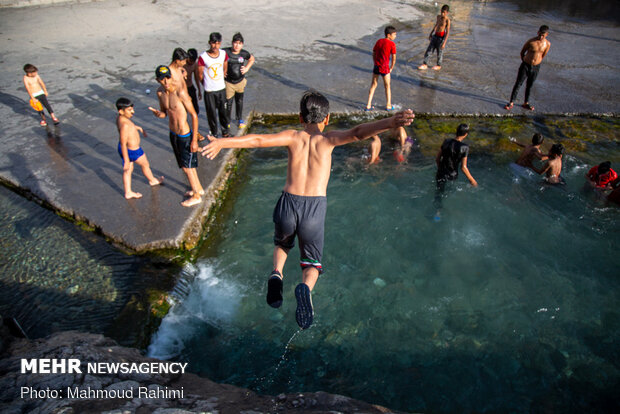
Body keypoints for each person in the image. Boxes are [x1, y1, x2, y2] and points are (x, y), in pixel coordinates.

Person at [201, 90, 415, 329]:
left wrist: (222, 142)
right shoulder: (328, 139)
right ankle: (305, 288)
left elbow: (258, 140)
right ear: (328, 118)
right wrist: (390, 122)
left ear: (301, 118)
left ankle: (276, 274)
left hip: (288, 203)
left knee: (282, 244)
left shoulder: (293, 137)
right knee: (311, 264)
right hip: (314, 208)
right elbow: (357, 133)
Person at [149, 65, 204, 207]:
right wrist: (158, 114)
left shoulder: (180, 92)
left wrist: (194, 139)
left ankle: (197, 196)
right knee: (185, 166)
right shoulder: (160, 93)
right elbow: (164, 113)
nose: (166, 81)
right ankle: (197, 188)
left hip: (184, 134)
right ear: (157, 80)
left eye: (168, 77)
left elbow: (194, 115)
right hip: (173, 133)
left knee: (187, 167)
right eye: (162, 79)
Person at [116, 97, 163, 199]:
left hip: (126, 149)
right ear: (121, 111)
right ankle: (152, 180)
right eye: (129, 110)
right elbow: (124, 142)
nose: (133, 112)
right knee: (145, 165)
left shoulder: (121, 119)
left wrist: (139, 128)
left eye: (132, 109)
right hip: (133, 151)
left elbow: (130, 127)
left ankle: (128, 192)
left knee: (128, 171)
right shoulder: (125, 125)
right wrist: (127, 160)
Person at [505, 25, 551, 111]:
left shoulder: (547, 44)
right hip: (526, 65)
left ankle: (526, 103)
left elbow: (543, 55)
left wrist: (536, 62)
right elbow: (522, 52)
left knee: (530, 85)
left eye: (543, 35)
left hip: (536, 67)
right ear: (538, 32)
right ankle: (511, 102)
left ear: (547, 34)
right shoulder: (531, 41)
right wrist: (526, 61)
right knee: (518, 83)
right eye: (540, 34)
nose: (541, 37)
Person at [434, 123, 477, 215]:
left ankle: (437, 212)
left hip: (440, 173)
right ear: (466, 134)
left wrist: (441, 169)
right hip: (451, 175)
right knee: (449, 193)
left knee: (438, 194)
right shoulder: (464, 147)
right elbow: (463, 167)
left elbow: (437, 159)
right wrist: (472, 180)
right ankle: (448, 211)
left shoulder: (446, 141)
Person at [196, 32, 230, 138]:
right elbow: (200, 75)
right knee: (211, 114)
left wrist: (221, 77)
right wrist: (206, 84)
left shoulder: (223, 54)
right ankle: (214, 133)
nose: (215, 46)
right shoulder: (203, 57)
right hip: (209, 91)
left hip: (221, 89)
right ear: (209, 43)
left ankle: (225, 132)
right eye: (213, 43)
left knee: (223, 112)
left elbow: (225, 67)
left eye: (218, 43)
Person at [223, 32, 255, 129]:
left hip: (240, 81)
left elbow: (252, 59)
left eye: (239, 43)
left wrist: (247, 68)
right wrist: (222, 70)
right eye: (235, 43)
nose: (237, 45)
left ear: (242, 44)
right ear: (232, 43)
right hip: (229, 82)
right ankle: (227, 120)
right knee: (228, 102)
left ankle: (239, 119)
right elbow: (216, 57)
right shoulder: (225, 52)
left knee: (239, 101)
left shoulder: (244, 53)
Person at [366, 26, 397, 111]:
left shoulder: (379, 41)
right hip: (385, 67)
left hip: (377, 66)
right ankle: (388, 105)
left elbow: (374, 53)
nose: (395, 36)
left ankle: (368, 104)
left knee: (373, 84)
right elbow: (394, 58)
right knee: (387, 86)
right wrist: (391, 67)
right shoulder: (392, 44)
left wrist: (375, 62)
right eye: (394, 34)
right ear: (389, 35)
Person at [418, 4, 451, 71]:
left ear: (447, 13)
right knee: (429, 50)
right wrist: (431, 33)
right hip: (435, 36)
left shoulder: (447, 20)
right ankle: (425, 64)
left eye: (444, 12)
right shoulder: (438, 17)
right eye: (441, 12)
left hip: (441, 38)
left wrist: (444, 43)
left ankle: (438, 65)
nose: (442, 14)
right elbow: (436, 25)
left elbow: (447, 32)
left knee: (439, 53)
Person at [185, 48, 201, 115]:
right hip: (182, 88)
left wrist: (199, 90)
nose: (191, 62)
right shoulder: (182, 64)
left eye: (193, 61)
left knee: (195, 110)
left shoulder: (194, 64)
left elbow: (196, 77)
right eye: (190, 60)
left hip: (190, 86)